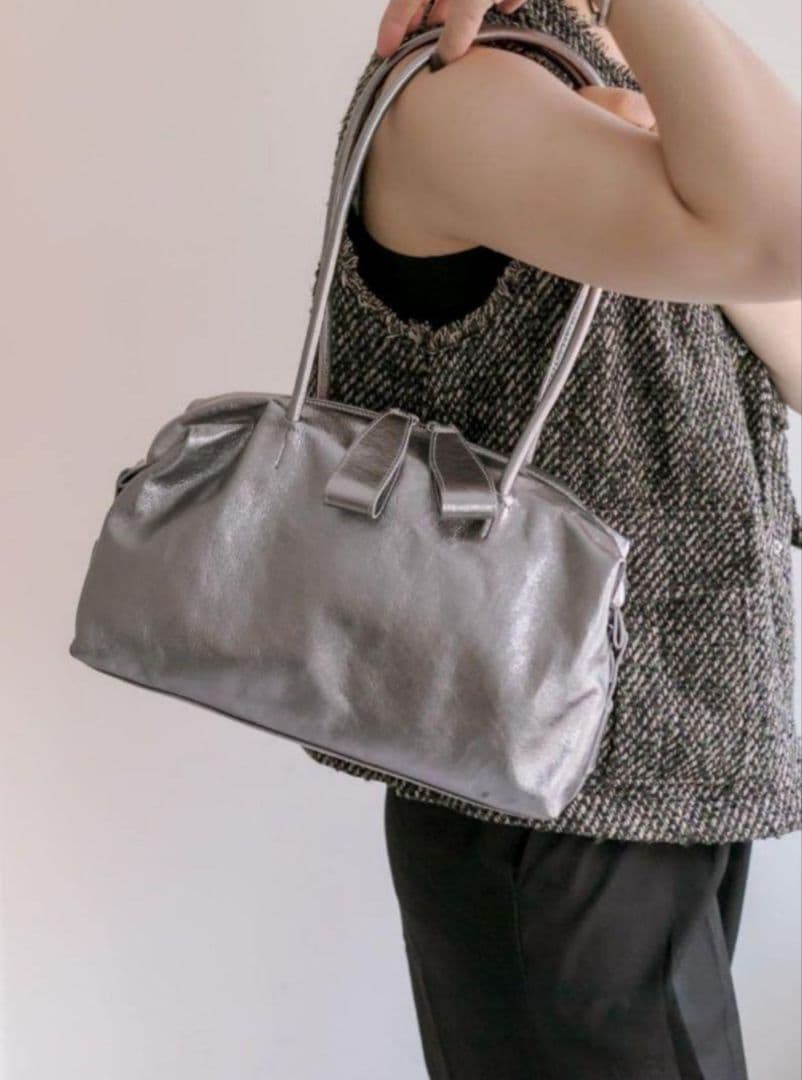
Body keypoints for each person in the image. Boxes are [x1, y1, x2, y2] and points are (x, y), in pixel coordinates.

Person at [303, 1, 802, 1076]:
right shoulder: (465, 91)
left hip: (669, 766)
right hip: (549, 803)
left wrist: (695, 203)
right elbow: (783, 232)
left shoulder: (626, 86)